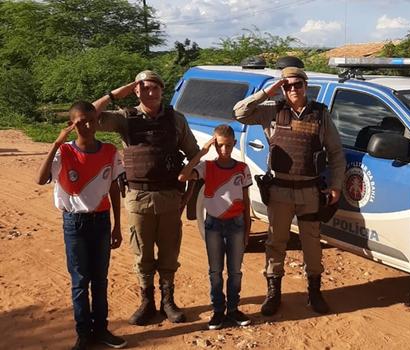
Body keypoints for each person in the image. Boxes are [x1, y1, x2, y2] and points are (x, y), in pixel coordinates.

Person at [233, 65, 346, 315]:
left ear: (306, 86)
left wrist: (336, 185)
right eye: (287, 85)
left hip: (309, 191)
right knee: (276, 242)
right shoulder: (271, 111)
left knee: (312, 244)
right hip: (280, 191)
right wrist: (266, 92)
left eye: (297, 85)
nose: (293, 89)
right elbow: (239, 112)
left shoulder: (320, 114)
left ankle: (314, 293)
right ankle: (273, 293)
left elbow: (336, 153)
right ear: (281, 88)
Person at [92, 70, 200, 325]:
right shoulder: (125, 119)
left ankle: (168, 301)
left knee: (169, 253)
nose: (150, 92)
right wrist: (116, 93)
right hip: (138, 196)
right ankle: (146, 301)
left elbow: (195, 154)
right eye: (143, 88)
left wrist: (189, 181)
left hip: (170, 196)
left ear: (162, 90)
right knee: (142, 253)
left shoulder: (176, 120)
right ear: (136, 90)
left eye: (154, 88)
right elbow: (89, 115)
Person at [35, 101, 127, 350]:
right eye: (80, 122)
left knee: (100, 279)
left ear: (98, 120)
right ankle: (83, 333)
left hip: (101, 222)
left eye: (91, 120)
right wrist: (56, 143)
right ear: (71, 125)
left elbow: (114, 189)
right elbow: (41, 179)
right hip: (74, 223)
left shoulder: (109, 151)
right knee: (79, 280)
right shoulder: (64, 152)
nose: (87, 125)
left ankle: (101, 329)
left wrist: (117, 226)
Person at [178, 124, 253, 330]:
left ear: (234, 144)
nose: (224, 150)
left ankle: (234, 309)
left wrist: (247, 229)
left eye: (228, 146)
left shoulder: (242, 169)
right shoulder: (206, 167)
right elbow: (183, 176)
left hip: (236, 224)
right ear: (214, 145)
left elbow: (246, 202)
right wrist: (202, 151)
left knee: (235, 271)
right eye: (219, 146)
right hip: (214, 224)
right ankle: (218, 311)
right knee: (215, 271)